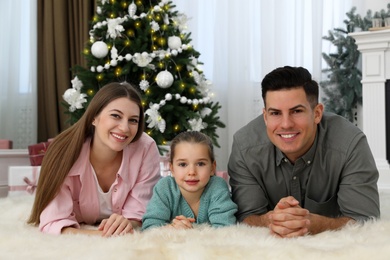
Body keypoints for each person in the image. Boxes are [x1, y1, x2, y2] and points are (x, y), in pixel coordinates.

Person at [228, 66, 380, 238]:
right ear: (265, 116)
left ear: (317, 113)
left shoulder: (350, 144)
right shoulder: (244, 147)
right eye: (275, 113)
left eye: (297, 111)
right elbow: (246, 217)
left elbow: (365, 220)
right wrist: (271, 220)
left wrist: (310, 223)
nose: (286, 124)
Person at [27, 82, 161, 237]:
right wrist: (101, 237)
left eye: (133, 120)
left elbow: (139, 213)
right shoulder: (63, 153)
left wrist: (127, 223)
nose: (125, 128)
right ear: (94, 118)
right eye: (116, 116)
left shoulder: (146, 148)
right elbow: (54, 223)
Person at [142, 131, 237, 230]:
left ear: (212, 168)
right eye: (183, 164)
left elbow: (226, 228)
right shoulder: (165, 188)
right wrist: (170, 229)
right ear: (172, 168)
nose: (191, 172)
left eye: (200, 164)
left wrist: (193, 233)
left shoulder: (217, 187)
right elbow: (149, 227)